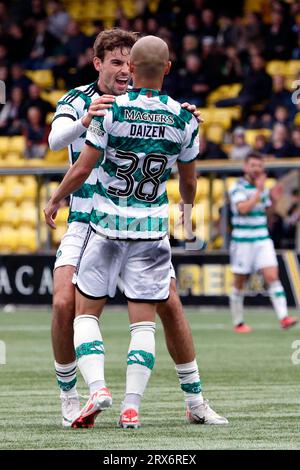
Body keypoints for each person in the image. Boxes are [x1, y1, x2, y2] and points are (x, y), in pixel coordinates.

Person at [46, 29, 228, 429]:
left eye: (128, 62)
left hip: (119, 221)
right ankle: (71, 396)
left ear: (137, 66)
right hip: (85, 219)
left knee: (172, 304)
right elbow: (57, 140)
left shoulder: (140, 107)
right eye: (115, 62)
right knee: (63, 303)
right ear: (99, 64)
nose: (124, 70)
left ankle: (195, 400)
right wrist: (86, 116)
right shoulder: (79, 99)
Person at [228, 153, 298, 333]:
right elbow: (242, 209)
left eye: (259, 166)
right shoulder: (237, 187)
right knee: (239, 282)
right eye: (253, 165)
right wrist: (259, 191)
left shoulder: (264, 189)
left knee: (273, 277)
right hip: (242, 241)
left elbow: (268, 215)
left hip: (262, 239)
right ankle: (238, 322)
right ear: (246, 167)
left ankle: (284, 317)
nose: (256, 169)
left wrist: (274, 200)